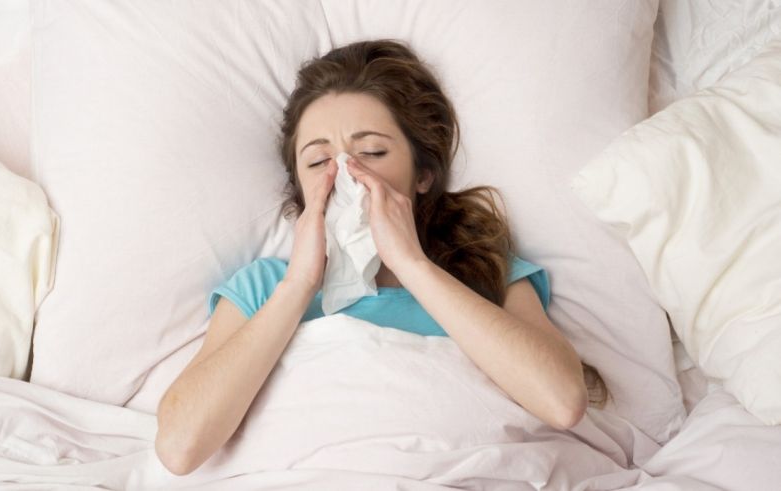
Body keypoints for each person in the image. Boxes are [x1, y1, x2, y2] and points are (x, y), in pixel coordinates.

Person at [155, 39, 608, 476]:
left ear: (423, 174)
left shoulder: (483, 270)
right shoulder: (263, 287)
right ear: (299, 186)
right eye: (318, 162)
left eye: (371, 152)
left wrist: (413, 266)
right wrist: (299, 285)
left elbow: (562, 401)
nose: (346, 176)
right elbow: (179, 448)